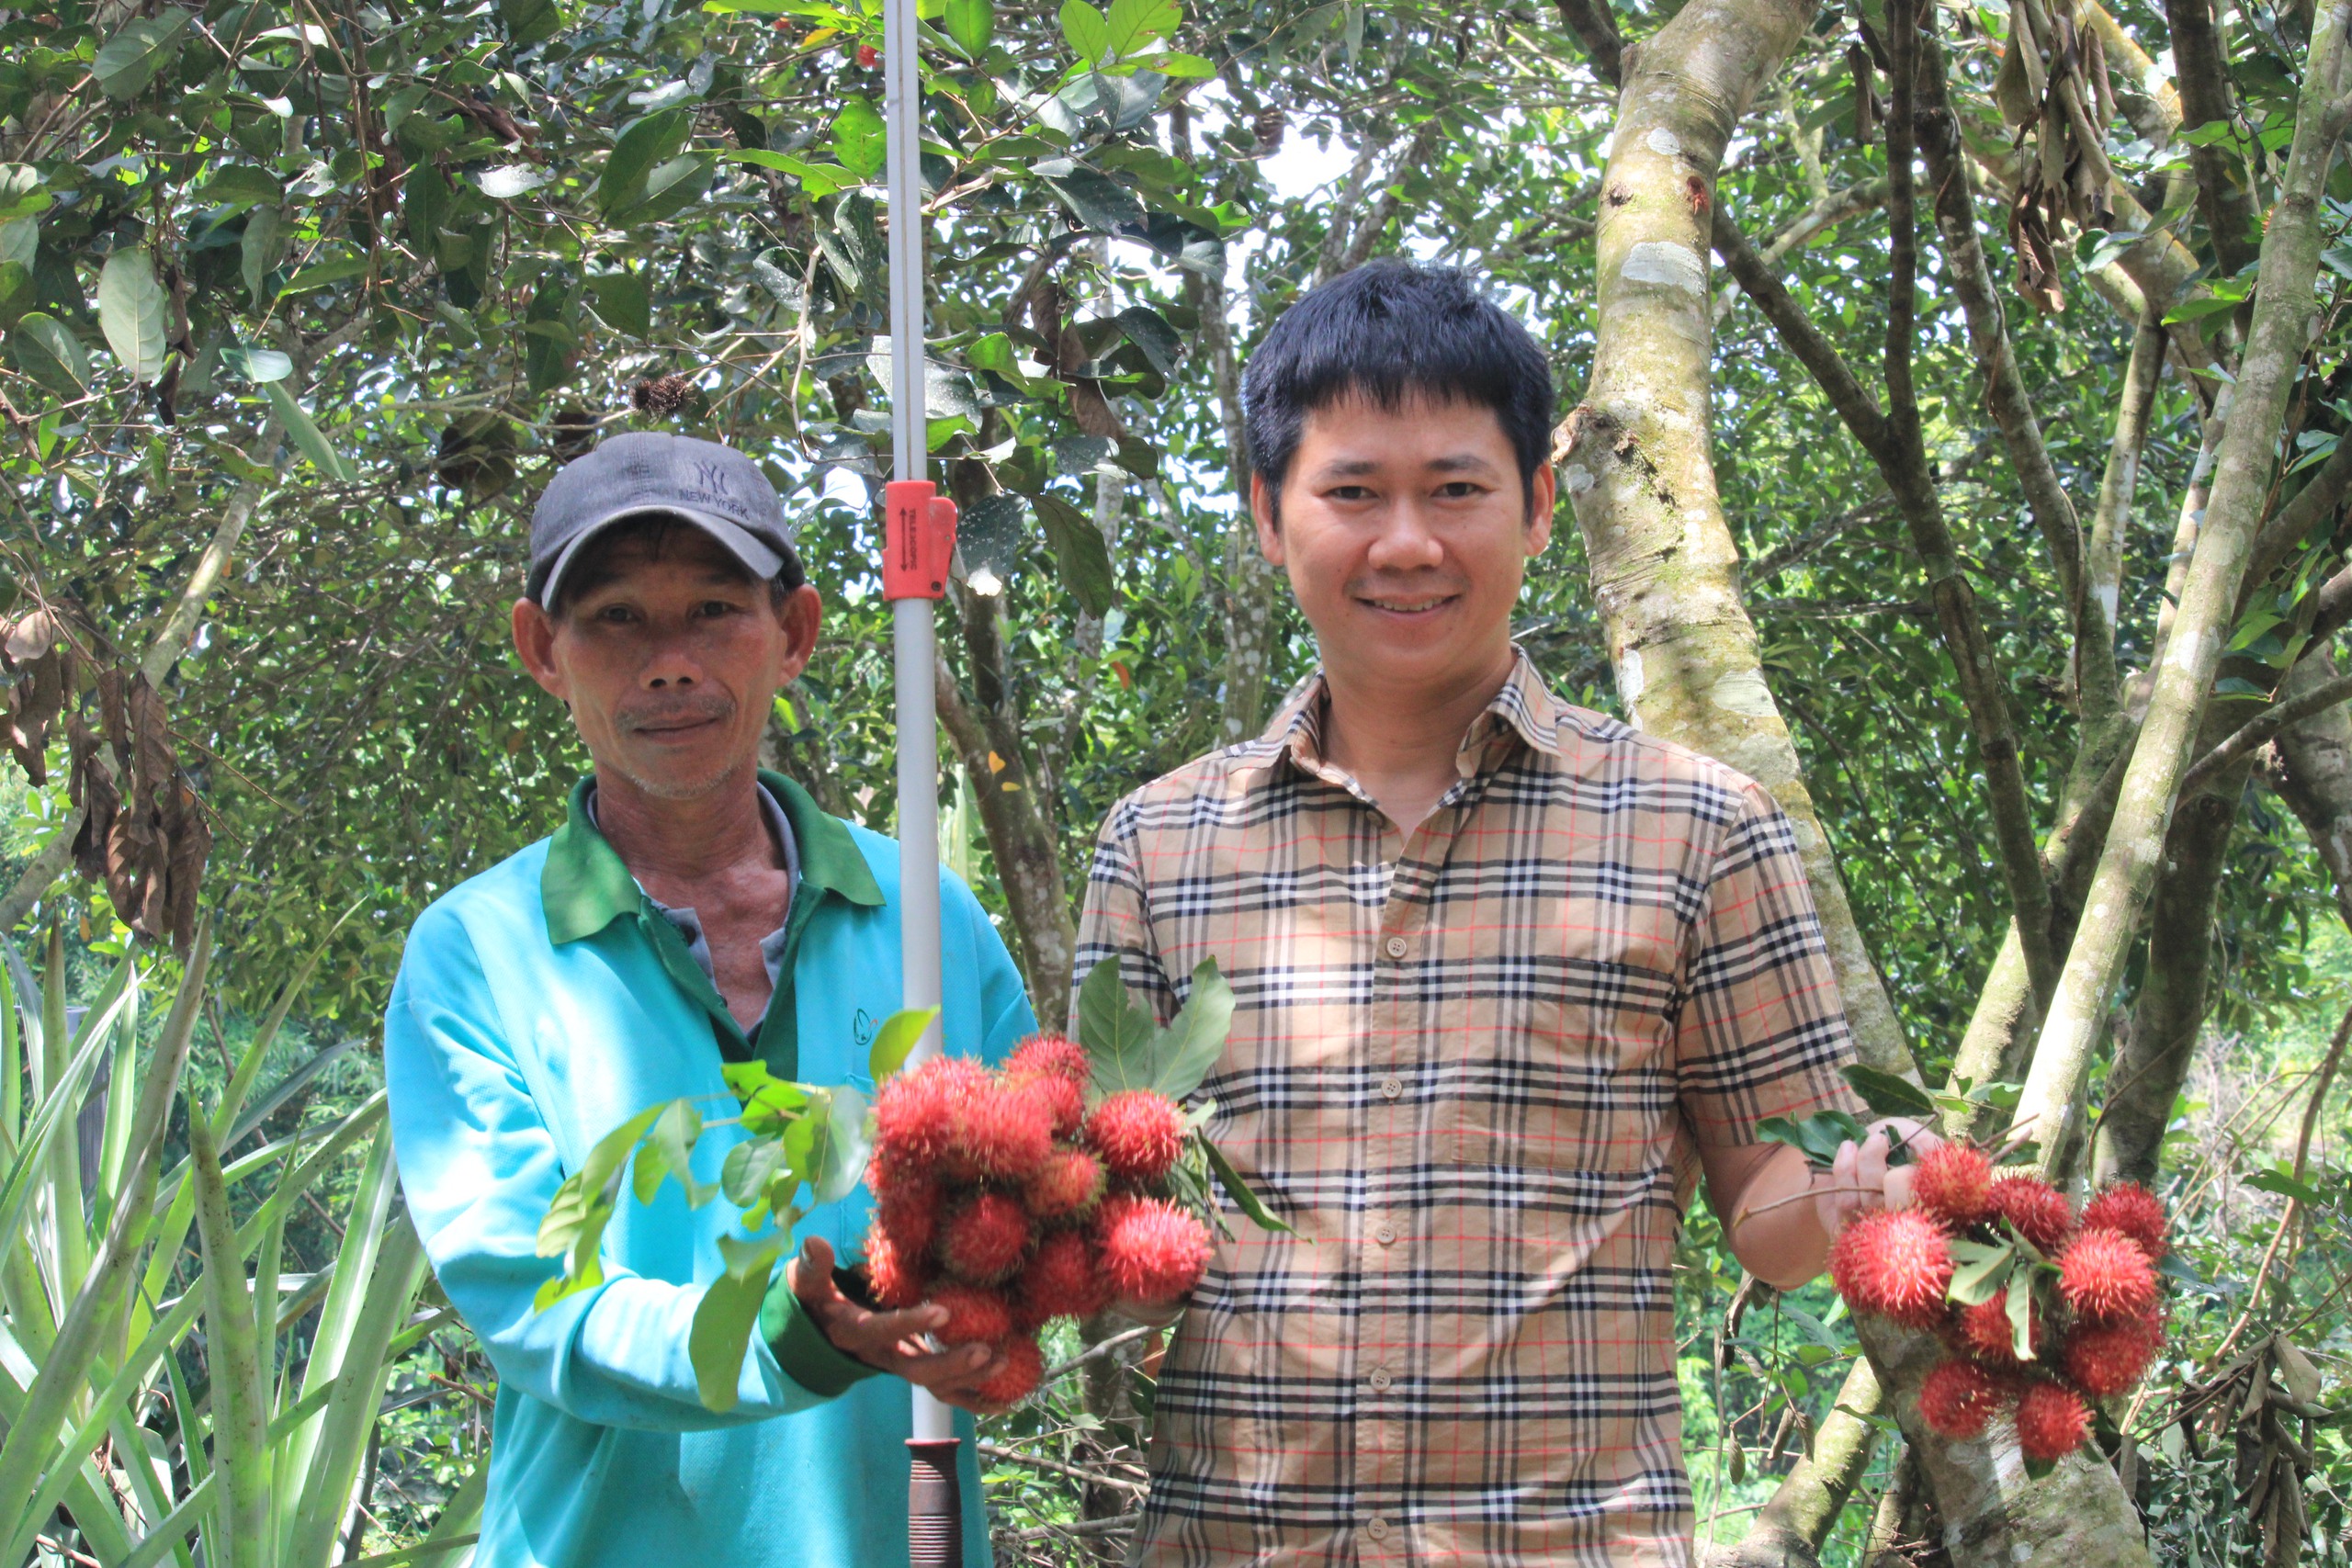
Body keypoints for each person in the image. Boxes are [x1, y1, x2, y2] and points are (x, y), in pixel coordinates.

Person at [1074, 263, 1932, 1564]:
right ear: (1268, 513)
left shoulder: (1697, 829)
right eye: (1352, 491)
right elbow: (1109, 1215)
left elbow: (1768, 1203)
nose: (1407, 541)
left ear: (1537, 504)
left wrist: (1858, 1186)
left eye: (1457, 489)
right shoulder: (1161, 842)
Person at [385, 433, 1035, 1568]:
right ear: (543, 649)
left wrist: (999, 1326)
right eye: (618, 619)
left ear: (794, 636)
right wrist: (796, 1340)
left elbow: (1023, 1207)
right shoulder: (475, 954)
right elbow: (539, 1306)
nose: (670, 663)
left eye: (714, 612)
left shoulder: (930, 919)